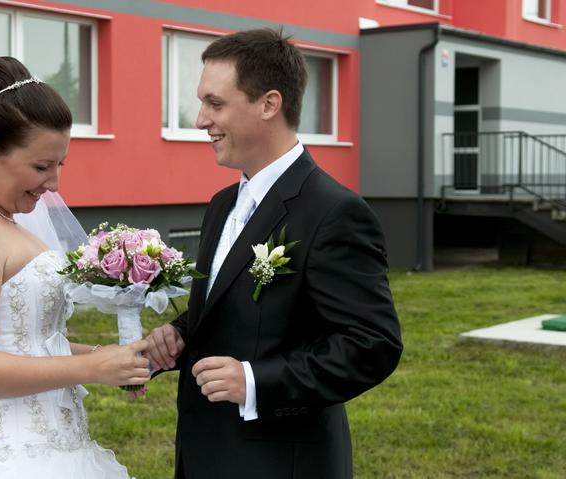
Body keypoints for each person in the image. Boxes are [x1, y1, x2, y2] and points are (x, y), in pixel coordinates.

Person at [144, 29, 403, 479]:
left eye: (215, 103)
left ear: (269, 104)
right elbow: (236, 306)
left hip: (281, 462)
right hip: (204, 454)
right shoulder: (221, 204)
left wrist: (255, 382)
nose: (201, 120)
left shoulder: (334, 212)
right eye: (202, 103)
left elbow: (371, 345)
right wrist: (181, 333)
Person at [0, 56, 149, 478]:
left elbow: (26, 343)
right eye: (41, 167)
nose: (54, 184)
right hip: (5, 460)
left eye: (59, 165)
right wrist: (90, 368)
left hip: (55, 448)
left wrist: (108, 358)